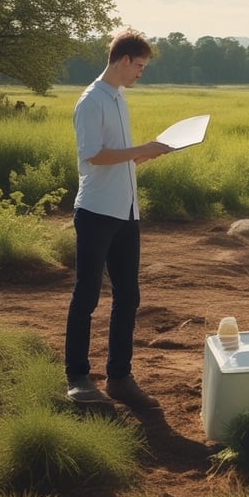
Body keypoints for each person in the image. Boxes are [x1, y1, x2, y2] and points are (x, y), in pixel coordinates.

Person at [65, 29, 173, 408]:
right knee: (87, 295)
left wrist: (146, 154)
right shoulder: (91, 101)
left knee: (128, 296)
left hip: (126, 212)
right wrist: (139, 148)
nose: (141, 73)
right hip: (96, 212)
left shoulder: (118, 98)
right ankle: (78, 377)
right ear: (124, 60)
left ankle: (119, 377)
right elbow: (93, 155)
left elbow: (118, 158)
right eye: (139, 66)